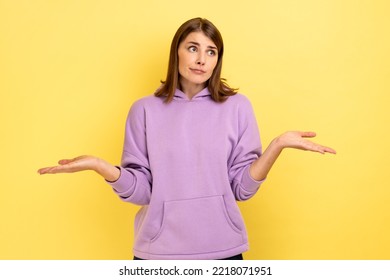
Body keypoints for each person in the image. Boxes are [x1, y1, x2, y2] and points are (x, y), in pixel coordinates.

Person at [38, 17, 336, 260]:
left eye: (211, 51)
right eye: (193, 48)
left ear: (217, 59)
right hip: (158, 255)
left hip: (223, 251)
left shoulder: (237, 107)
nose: (201, 59)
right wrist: (101, 166)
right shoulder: (144, 110)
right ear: (176, 52)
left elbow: (241, 189)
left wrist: (277, 145)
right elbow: (142, 191)